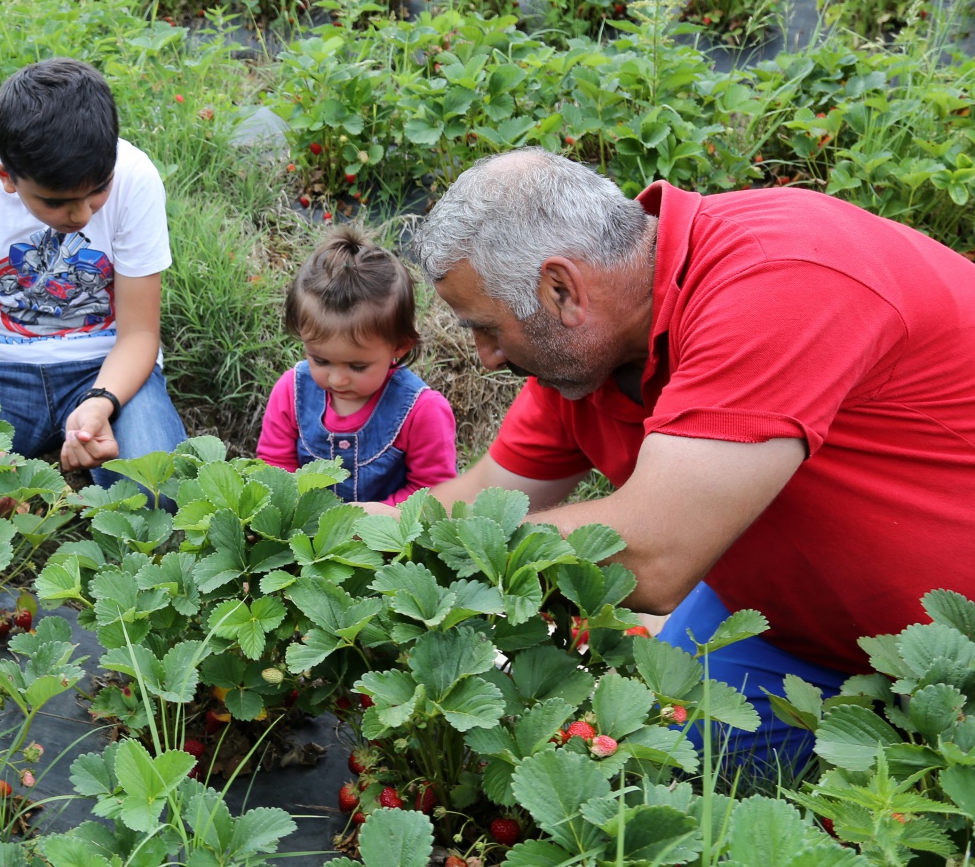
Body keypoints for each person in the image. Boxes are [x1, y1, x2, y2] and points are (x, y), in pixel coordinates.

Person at [382, 146, 975, 769]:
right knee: (647, 763)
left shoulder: (775, 281)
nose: (486, 357)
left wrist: (432, 546)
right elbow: (488, 495)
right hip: (793, 632)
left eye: (488, 328)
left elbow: (656, 553)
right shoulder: (586, 359)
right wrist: (377, 532)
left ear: (561, 289)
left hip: (953, 648)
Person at [0, 58, 187, 482]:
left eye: (99, 189)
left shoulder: (135, 177)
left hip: (107, 366)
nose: (81, 215)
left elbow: (139, 334)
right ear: (6, 178)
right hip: (2, 371)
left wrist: (101, 401)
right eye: (55, 202)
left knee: (157, 486)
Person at [256, 226, 457, 504]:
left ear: (400, 346)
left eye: (357, 366)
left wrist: (368, 519)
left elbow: (433, 492)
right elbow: (274, 467)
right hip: (307, 528)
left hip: (387, 530)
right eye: (320, 360)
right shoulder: (291, 392)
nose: (337, 379)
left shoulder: (422, 412)